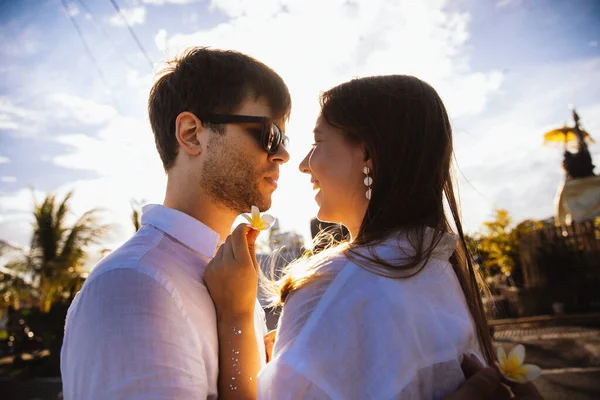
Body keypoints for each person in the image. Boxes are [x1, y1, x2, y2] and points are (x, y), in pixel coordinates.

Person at [205, 75, 542, 399]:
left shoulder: (337, 286)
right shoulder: (438, 269)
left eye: (318, 142)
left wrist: (234, 314)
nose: (304, 164)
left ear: (367, 154)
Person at [60, 47, 292, 399]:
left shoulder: (231, 282)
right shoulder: (134, 286)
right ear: (191, 133)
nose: (283, 154)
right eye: (269, 134)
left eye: (283, 139)